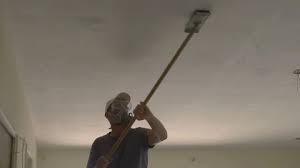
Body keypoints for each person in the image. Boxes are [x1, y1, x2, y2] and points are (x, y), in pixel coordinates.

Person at [86, 92, 168, 168]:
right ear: (107, 115)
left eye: (125, 107)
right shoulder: (99, 143)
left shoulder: (139, 135)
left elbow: (162, 135)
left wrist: (149, 116)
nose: (123, 110)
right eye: (117, 107)